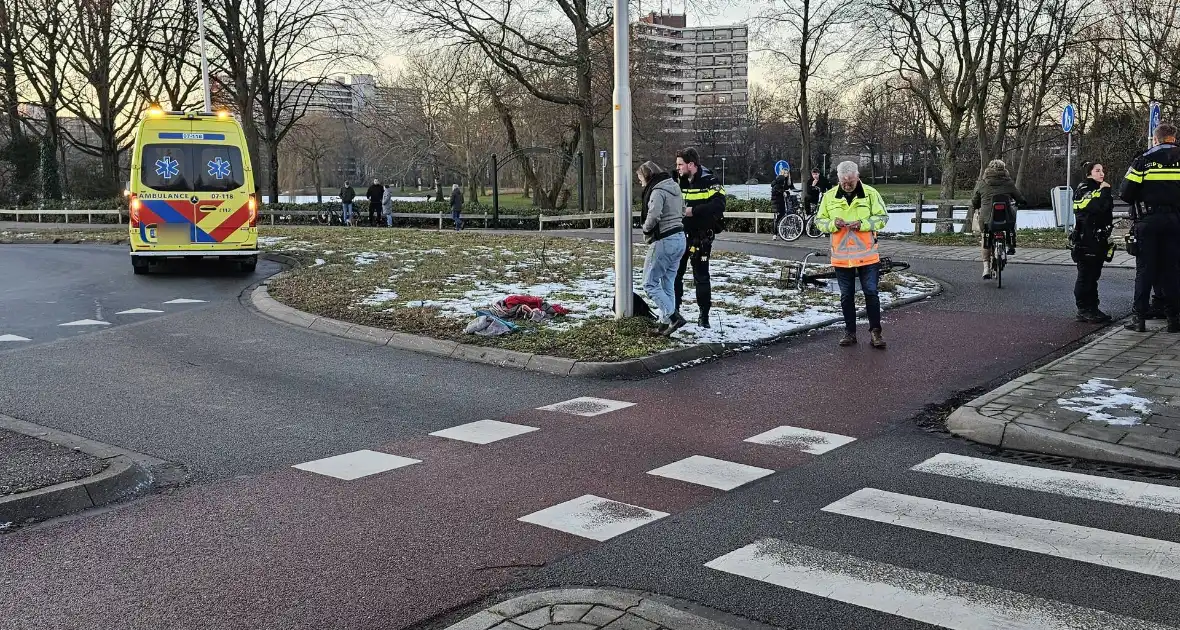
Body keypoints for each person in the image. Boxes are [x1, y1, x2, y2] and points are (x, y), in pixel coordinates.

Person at [815, 161, 889, 349]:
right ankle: (850, 333)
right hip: (841, 256)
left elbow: (883, 218)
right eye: (843, 181)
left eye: (851, 181)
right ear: (838, 178)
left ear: (858, 177)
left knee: (871, 293)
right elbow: (819, 221)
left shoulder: (871, 194)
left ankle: (875, 333)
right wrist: (832, 224)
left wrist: (863, 223)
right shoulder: (829, 196)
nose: (847, 184)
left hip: (867, 255)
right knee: (846, 296)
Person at [1120, 121, 1180, 332]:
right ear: (1173, 137)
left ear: (1156, 139)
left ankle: (1139, 319)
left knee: (1145, 271)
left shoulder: (1143, 161)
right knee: (1172, 270)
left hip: (1148, 221)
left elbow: (1125, 193)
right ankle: (1174, 319)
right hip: (1175, 221)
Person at [674, 147, 726, 328]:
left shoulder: (710, 180)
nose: (678, 168)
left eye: (680, 164)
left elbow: (719, 205)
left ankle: (704, 316)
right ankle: (674, 312)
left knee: (701, 277)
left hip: (701, 237)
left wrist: (693, 211)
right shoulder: (677, 181)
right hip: (680, 235)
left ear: (691, 164)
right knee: (675, 275)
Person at [638, 161, 688, 335]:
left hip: (664, 241)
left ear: (647, 176)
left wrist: (645, 228)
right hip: (680, 239)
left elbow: (654, 215)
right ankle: (665, 323)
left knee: (649, 283)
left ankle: (673, 317)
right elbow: (682, 211)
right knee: (667, 283)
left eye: (640, 178)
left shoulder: (658, 191)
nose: (640, 183)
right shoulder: (675, 187)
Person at [1070, 162, 1115, 323]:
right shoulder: (1084, 189)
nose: (1102, 173)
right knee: (1086, 275)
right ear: (1089, 173)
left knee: (1093, 276)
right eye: (1098, 170)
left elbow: (1106, 208)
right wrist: (1105, 191)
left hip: (1097, 238)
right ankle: (1084, 309)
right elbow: (1094, 207)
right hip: (1086, 238)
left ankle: (1093, 308)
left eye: (1103, 170)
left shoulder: (1099, 188)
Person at [970, 159, 1028, 279]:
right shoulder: (1008, 183)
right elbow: (1019, 198)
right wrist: (1022, 202)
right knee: (1011, 221)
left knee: (985, 236)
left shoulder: (982, 183)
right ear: (1004, 169)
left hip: (987, 219)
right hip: (1006, 219)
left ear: (988, 169)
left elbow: (975, 200)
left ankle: (986, 267)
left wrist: (976, 206)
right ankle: (1011, 243)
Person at [770, 168, 792, 240]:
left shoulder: (788, 181)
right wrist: (783, 191)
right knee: (778, 217)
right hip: (778, 202)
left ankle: (782, 232)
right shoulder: (778, 181)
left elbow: (791, 187)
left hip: (783, 201)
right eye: (784, 173)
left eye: (787, 173)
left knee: (783, 215)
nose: (786, 175)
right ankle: (775, 233)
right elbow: (776, 188)